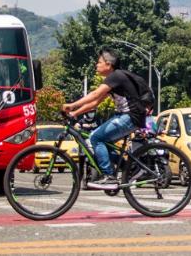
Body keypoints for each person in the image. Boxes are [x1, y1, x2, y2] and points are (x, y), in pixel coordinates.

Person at [62, 49, 147, 189]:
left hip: (130, 116)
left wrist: (72, 105)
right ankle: (131, 168)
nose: (96, 65)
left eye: (99, 62)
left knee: (96, 138)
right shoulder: (113, 79)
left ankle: (109, 176)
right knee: (103, 144)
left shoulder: (116, 76)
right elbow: (95, 103)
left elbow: (95, 94)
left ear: (108, 64)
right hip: (125, 116)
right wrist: (75, 113)